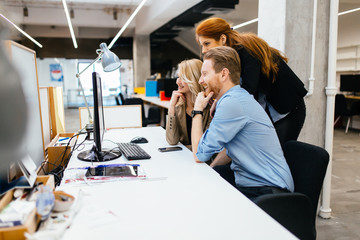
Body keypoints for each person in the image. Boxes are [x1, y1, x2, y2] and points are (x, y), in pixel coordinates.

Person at [191, 46, 294, 200]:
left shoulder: (232, 103)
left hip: (269, 191)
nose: (200, 80)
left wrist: (197, 110)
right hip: (255, 184)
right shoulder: (237, 98)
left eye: (205, 74)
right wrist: (211, 170)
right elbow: (228, 149)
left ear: (224, 74)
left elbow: (199, 154)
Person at [195, 17, 307, 144]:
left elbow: (248, 90)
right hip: (271, 106)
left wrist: (220, 103)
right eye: (202, 45)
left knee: (279, 154)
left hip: (288, 107)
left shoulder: (246, 50)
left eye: (207, 43)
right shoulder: (232, 56)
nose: (204, 50)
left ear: (223, 39)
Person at [166, 59, 211, 150]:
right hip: (185, 158)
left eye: (182, 78)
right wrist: (171, 107)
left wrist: (182, 149)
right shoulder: (179, 106)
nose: (177, 82)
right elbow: (172, 140)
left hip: (204, 162)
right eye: (178, 77)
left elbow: (205, 147)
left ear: (193, 79)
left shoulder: (209, 106)